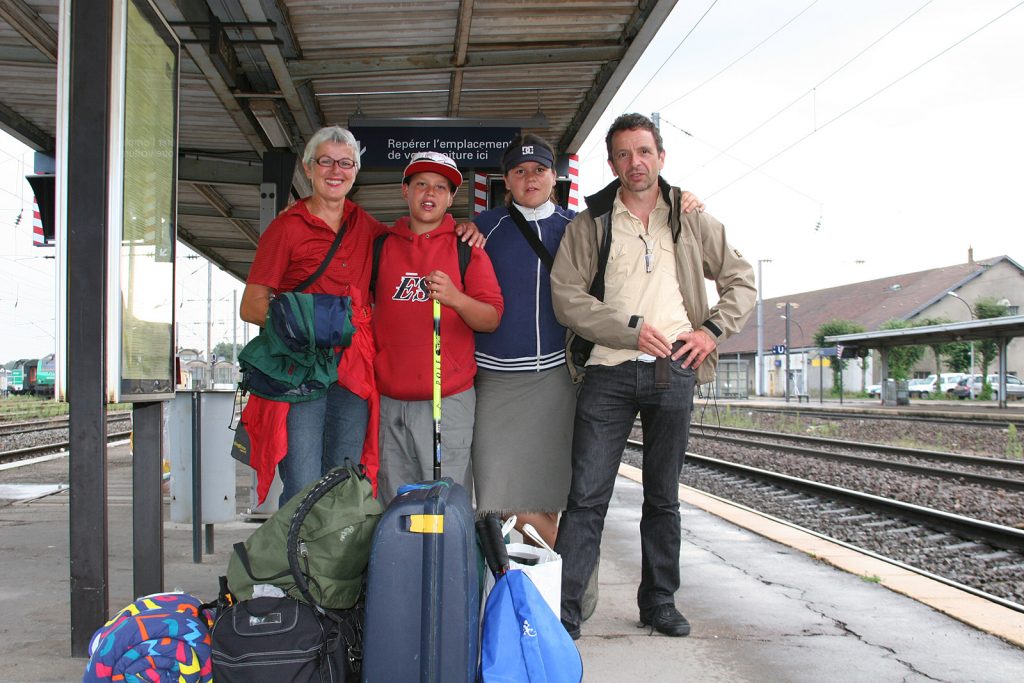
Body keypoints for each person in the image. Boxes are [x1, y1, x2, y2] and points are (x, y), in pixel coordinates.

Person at [550, 113, 755, 640]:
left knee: (663, 497)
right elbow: (567, 298)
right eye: (623, 154)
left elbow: (742, 281)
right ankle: (566, 612)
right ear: (612, 162)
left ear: (660, 157)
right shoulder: (590, 221)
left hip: (675, 371)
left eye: (644, 151)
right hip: (607, 374)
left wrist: (710, 331)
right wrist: (627, 330)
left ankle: (659, 601)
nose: (634, 163)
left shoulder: (690, 219)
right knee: (587, 497)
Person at [471, 135, 704, 548]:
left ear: (554, 176)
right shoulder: (483, 229)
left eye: (540, 169)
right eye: (519, 171)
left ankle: (556, 587)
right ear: (506, 180)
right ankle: (564, 569)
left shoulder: (580, 226)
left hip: (563, 379)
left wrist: (683, 201)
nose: (530, 178)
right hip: (497, 380)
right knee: (496, 496)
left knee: (555, 493)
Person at [239, 126, 482, 506]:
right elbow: (252, 305)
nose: (335, 170)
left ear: (355, 172)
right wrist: (312, 322)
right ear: (308, 168)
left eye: (345, 163)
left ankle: (336, 564)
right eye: (326, 161)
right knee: (303, 482)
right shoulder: (286, 227)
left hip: (353, 374)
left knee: (346, 480)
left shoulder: (366, 227)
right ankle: (299, 564)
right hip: (301, 373)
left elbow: (413, 239)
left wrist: (464, 227)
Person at [372, 151, 504, 502]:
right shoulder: (380, 246)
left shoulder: (467, 247)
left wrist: (457, 298)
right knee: (394, 507)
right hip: (388, 402)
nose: (429, 194)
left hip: (447, 400)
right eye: (421, 184)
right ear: (405, 191)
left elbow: (491, 319)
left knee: (445, 507)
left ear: (450, 197)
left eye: (440, 187)